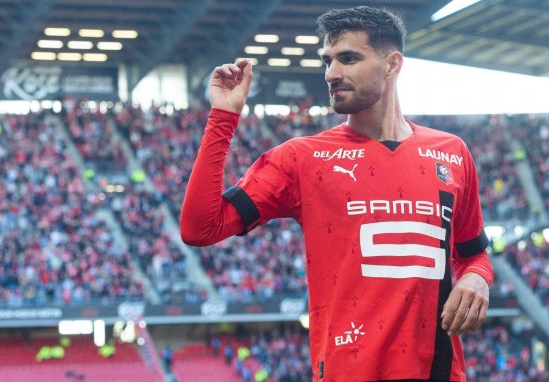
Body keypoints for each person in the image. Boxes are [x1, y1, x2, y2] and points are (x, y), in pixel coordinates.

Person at [181, 6, 493, 381]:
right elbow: (200, 227)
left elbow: (474, 255)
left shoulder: (451, 152)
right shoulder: (302, 158)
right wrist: (223, 118)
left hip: (439, 373)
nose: (332, 73)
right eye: (327, 61)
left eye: (348, 59)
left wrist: (477, 279)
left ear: (392, 64)